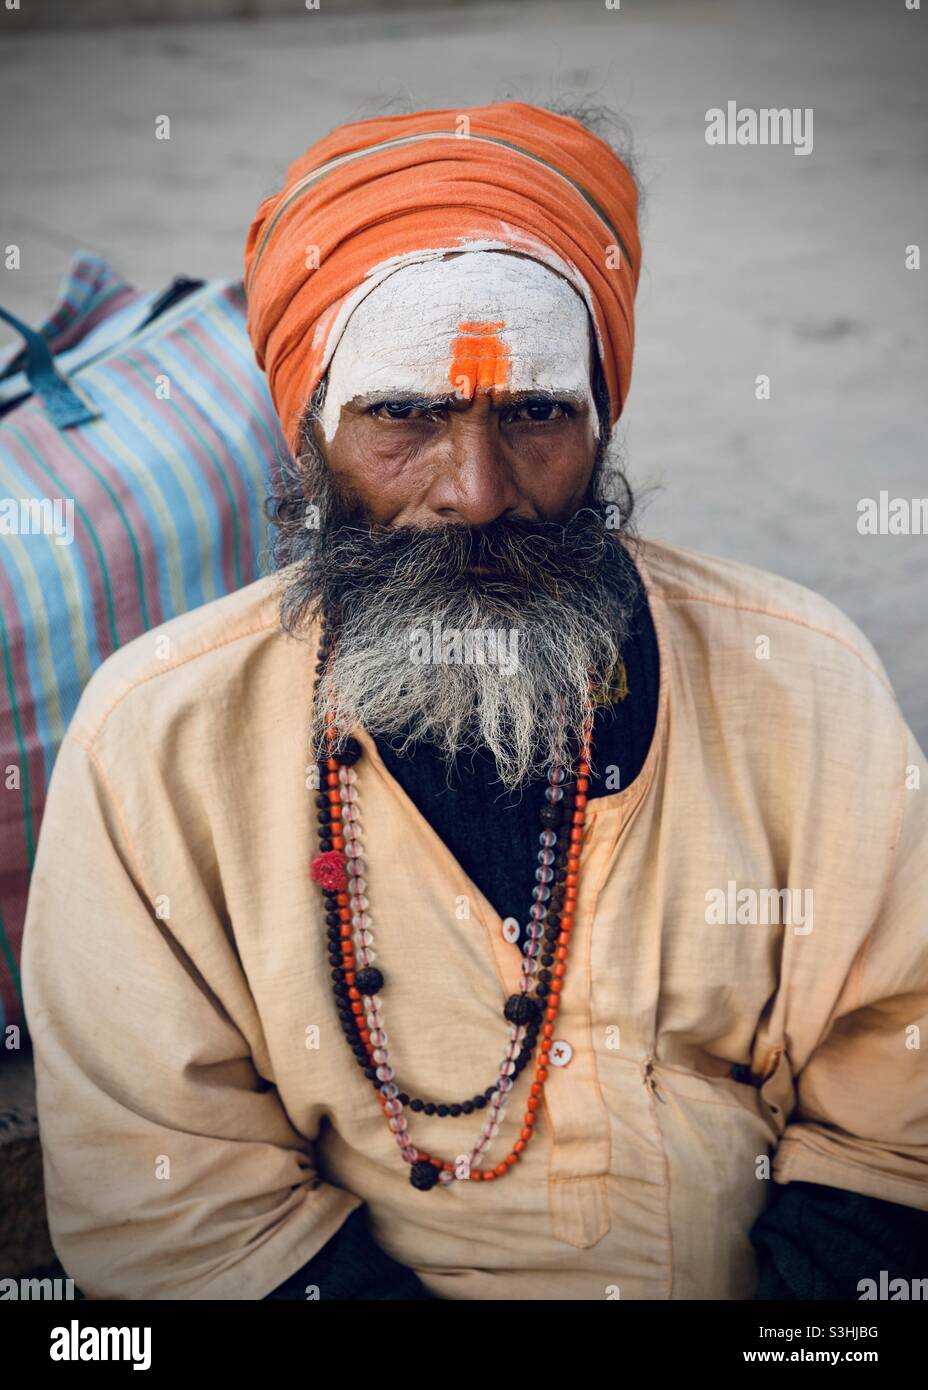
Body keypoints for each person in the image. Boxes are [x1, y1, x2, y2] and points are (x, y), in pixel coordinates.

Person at [21, 101, 928, 1301]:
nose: (476, 489)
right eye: (404, 414)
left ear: (600, 423)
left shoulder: (799, 673)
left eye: (535, 413)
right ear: (309, 435)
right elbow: (175, 1204)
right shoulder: (159, 735)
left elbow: (896, 1114)